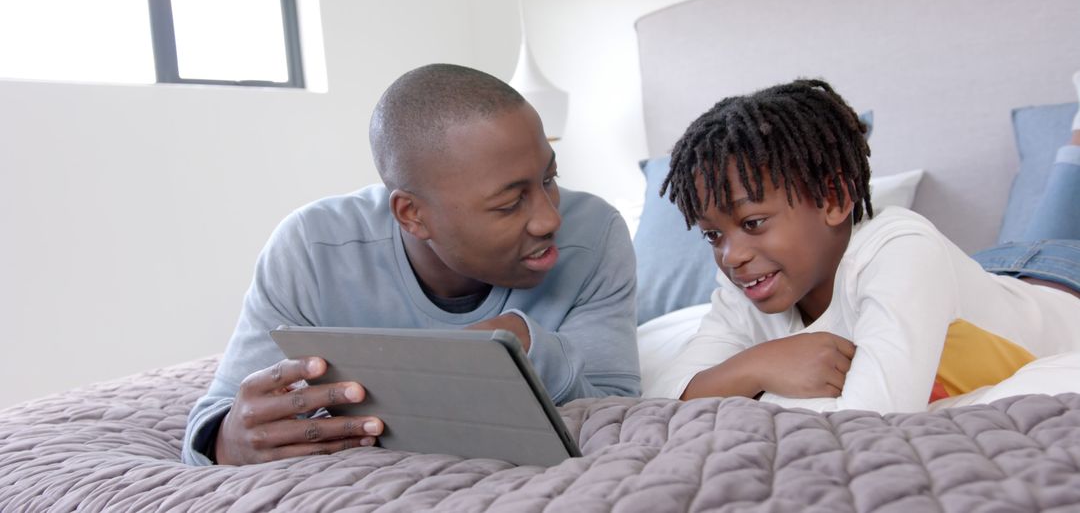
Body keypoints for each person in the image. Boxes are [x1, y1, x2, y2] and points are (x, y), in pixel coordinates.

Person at [182, 64, 640, 466]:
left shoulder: (595, 235)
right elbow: (219, 417)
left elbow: (620, 408)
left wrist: (525, 346)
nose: (549, 218)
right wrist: (228, 441)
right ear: (411, 215)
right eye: (509, 203)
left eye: (549, 179)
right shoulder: (311, 249)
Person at [649, 78, 1080, 414]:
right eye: (713, 235)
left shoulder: (902, 250)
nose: (731, 256)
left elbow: (873, 415)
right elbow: (664, 401)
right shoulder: (745, 287)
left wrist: (732, 385)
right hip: (977, 278)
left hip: (1059, 278)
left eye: (753, 222)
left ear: (834, 199)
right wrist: (757, 364)